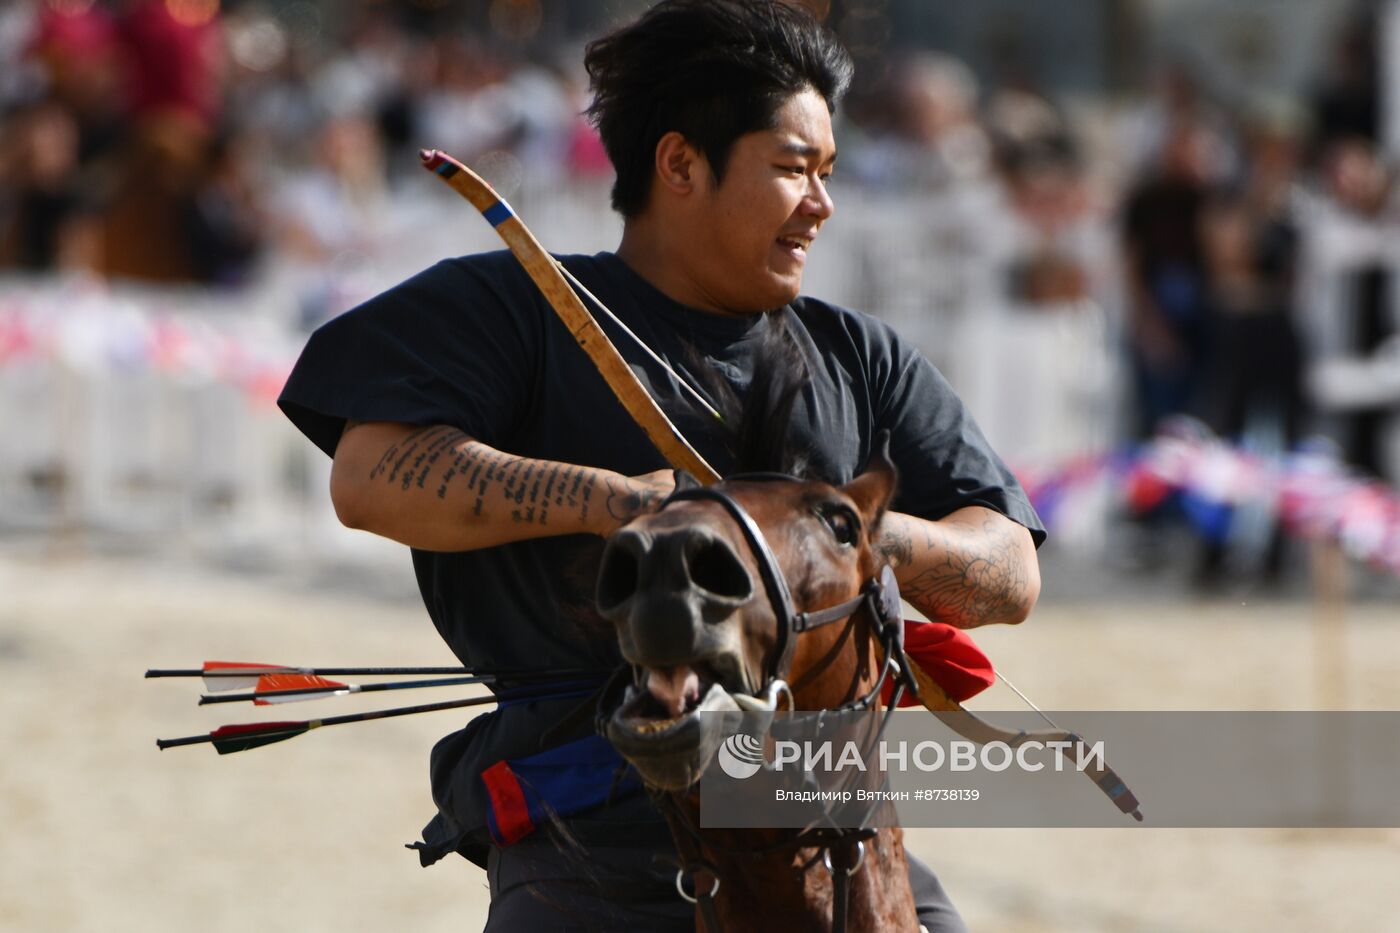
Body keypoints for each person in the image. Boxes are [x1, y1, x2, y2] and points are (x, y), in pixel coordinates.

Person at [278, 2, 1043, 930]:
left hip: (826, 832)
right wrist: (615, 501)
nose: (823, 203)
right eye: (794, 168)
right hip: (595, 837)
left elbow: (1007, 572)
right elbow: (371, 475)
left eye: (828, 172)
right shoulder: (516, 309)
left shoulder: (858, 356)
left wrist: (838, 532)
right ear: (680, 164)